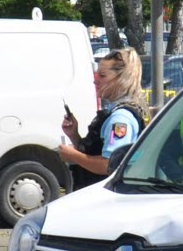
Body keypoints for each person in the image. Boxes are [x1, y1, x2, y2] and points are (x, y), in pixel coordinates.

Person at [59, 49, 150, 188]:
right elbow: (96, 152)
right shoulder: (114, 112)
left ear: (121, 80)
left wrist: (73, 156)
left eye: (102, 76)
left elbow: (109, 165)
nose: (95, 81)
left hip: (108, 193)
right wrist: (74, 135)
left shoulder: (120, 118)